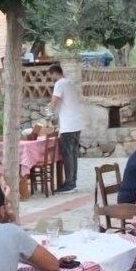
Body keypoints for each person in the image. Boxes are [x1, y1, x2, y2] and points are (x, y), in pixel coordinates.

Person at [49, 64, 84, 192]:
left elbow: (54, 101)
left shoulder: (59, 84)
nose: (51, 78)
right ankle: (73, 181)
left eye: (51, 76)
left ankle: (69, 183)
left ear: (53, 73)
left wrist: (49, 112)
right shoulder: (71, 83)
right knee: (74, 153)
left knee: (67, 154)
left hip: (68, 125)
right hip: (77, 123)